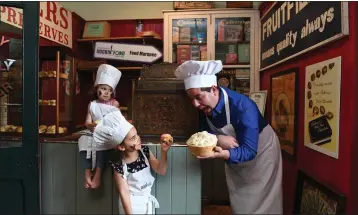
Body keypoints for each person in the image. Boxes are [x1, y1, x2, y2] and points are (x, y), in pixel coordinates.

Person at [175, 60, 283, 214]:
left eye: (198, 97)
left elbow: (249, 150)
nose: (195, 104)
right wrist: (218, 138)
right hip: (236, 159)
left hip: (262, 155)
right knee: (242, 203)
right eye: (191, 99)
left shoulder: (243, 108)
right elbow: (201, 131)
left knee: (264, 205)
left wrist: (224, 153)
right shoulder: (203, 107)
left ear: (213, 89)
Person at [93, 110, 172, 214]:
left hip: (146, 204)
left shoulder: (144, 151)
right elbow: (124, 192)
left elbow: (161, 170)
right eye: (133, 138)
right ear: (121, 147)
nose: (138, 138)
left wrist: (164, 151)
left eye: (137, 135)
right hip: (131, 207)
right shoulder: (119, 165)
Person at [78, 64, 121, 189]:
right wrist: (91, 125)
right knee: (83, 140)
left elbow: (116, 122)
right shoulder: (92, 104)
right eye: (103, 88)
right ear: (97, 89)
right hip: (93, 131)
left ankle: (98, 173)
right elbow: (87, 122)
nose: (106, 92)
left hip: (108, 132)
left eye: (109, 90)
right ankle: (87, 171)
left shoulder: (115, 104)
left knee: (101, 142)